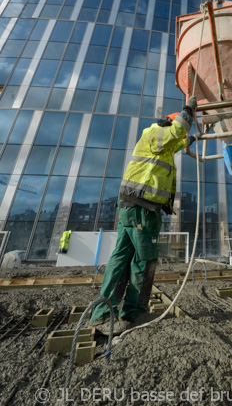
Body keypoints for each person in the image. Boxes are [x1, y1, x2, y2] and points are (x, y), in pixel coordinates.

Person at [90, 96, 198, 335]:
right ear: (168, 125)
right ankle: (132, 312)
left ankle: (102, 314)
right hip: (143, 210)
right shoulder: (154, 132)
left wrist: (194, 138)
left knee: (120, 258)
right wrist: (189, 109)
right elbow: (177, 131)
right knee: (144, 261)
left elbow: (178, 141)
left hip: (130, 207)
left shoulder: (161, 146)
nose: (179, 138)